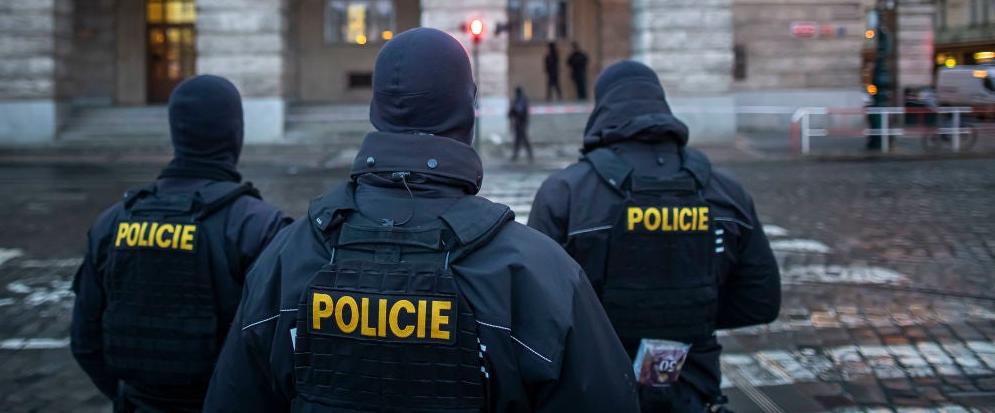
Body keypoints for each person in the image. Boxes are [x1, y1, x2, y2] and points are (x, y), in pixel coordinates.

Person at [204, 28, 639, 413]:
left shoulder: (287, 256)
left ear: (376, 111)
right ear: (467, 111)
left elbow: (233, 397)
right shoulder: (537, 270)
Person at [528, 61, 781, 413]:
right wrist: (690, 313)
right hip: (693, 389)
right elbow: (760, 300)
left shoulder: (565, 193)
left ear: (602, 108)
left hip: (594, 390)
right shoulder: (726, 190)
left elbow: (535, 312)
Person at [70, 75, 293, 413]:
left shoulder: (112, 221)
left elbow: (85, 343)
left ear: (176, 132)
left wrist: (133, 398)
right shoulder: (260, 226)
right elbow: (287, 351)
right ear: (235, 133)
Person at [507, 85, 534, 161]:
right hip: (520, 123)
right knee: (520, 139)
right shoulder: (520, 100)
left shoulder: (521, 100)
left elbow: (518, 110)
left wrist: (512, 112)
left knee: (521, 139)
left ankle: (518, 156)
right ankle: (520, 155)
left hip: (521, 123)